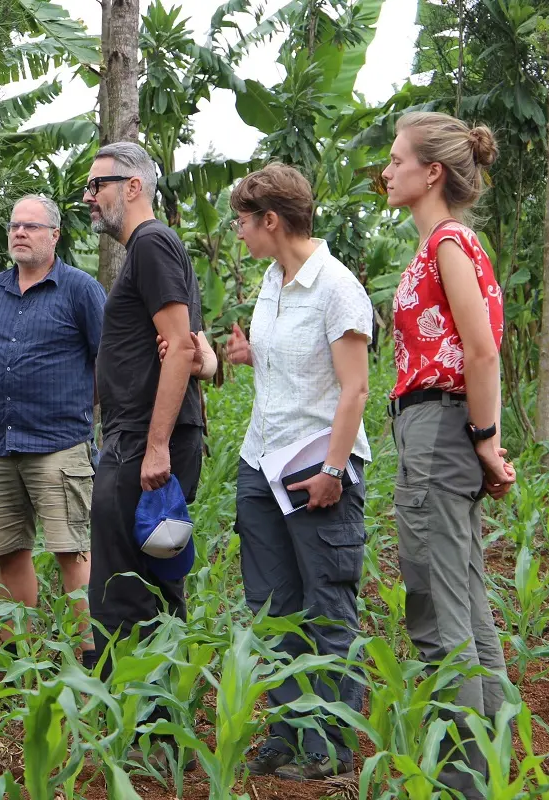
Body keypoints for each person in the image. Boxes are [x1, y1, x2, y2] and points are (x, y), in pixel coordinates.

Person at [216, 164, 372, 781]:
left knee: (327, 606)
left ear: (271, 221)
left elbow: (355, 389)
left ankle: (331, 745)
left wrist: (335, 468)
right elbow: (297, 362)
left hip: (316, 468)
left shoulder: (336, 287)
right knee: (274, 607)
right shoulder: (272, 280)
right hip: (262, 462)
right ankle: (288, 733)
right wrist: (253, 353)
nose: (238, 233)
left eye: (243, 222)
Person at [382, 111, 515, 799]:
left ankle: (464, 781)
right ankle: (491, 767)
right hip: (432, 431)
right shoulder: (440, 243)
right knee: (464, 599)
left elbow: (482, 348)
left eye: (398, 159)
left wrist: (485, 439)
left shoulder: (449, 245)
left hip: (439, 430)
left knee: (437, 608)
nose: (388, 169)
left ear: (431, 172)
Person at [82, 141, 214, 769]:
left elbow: (182, 346)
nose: (89, 196)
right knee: (152, 579)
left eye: (97, 184)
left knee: (123, 586)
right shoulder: (146, 252)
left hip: (144, 443)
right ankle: (155, 731)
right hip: (139, 438)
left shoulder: (153, 245)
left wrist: (155, 444)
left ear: (132, 186)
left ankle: (143, 736)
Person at [0, 195, 106, 662]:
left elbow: (106, 361)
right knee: (8, 551)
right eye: (14, 226)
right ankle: (18, 658)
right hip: (1, 444)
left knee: (72, 551)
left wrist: (78, 409)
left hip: (60, 445)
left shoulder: (81, 290)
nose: (19, 233)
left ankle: (90, 659)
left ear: (54, 235)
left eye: (31, 226)